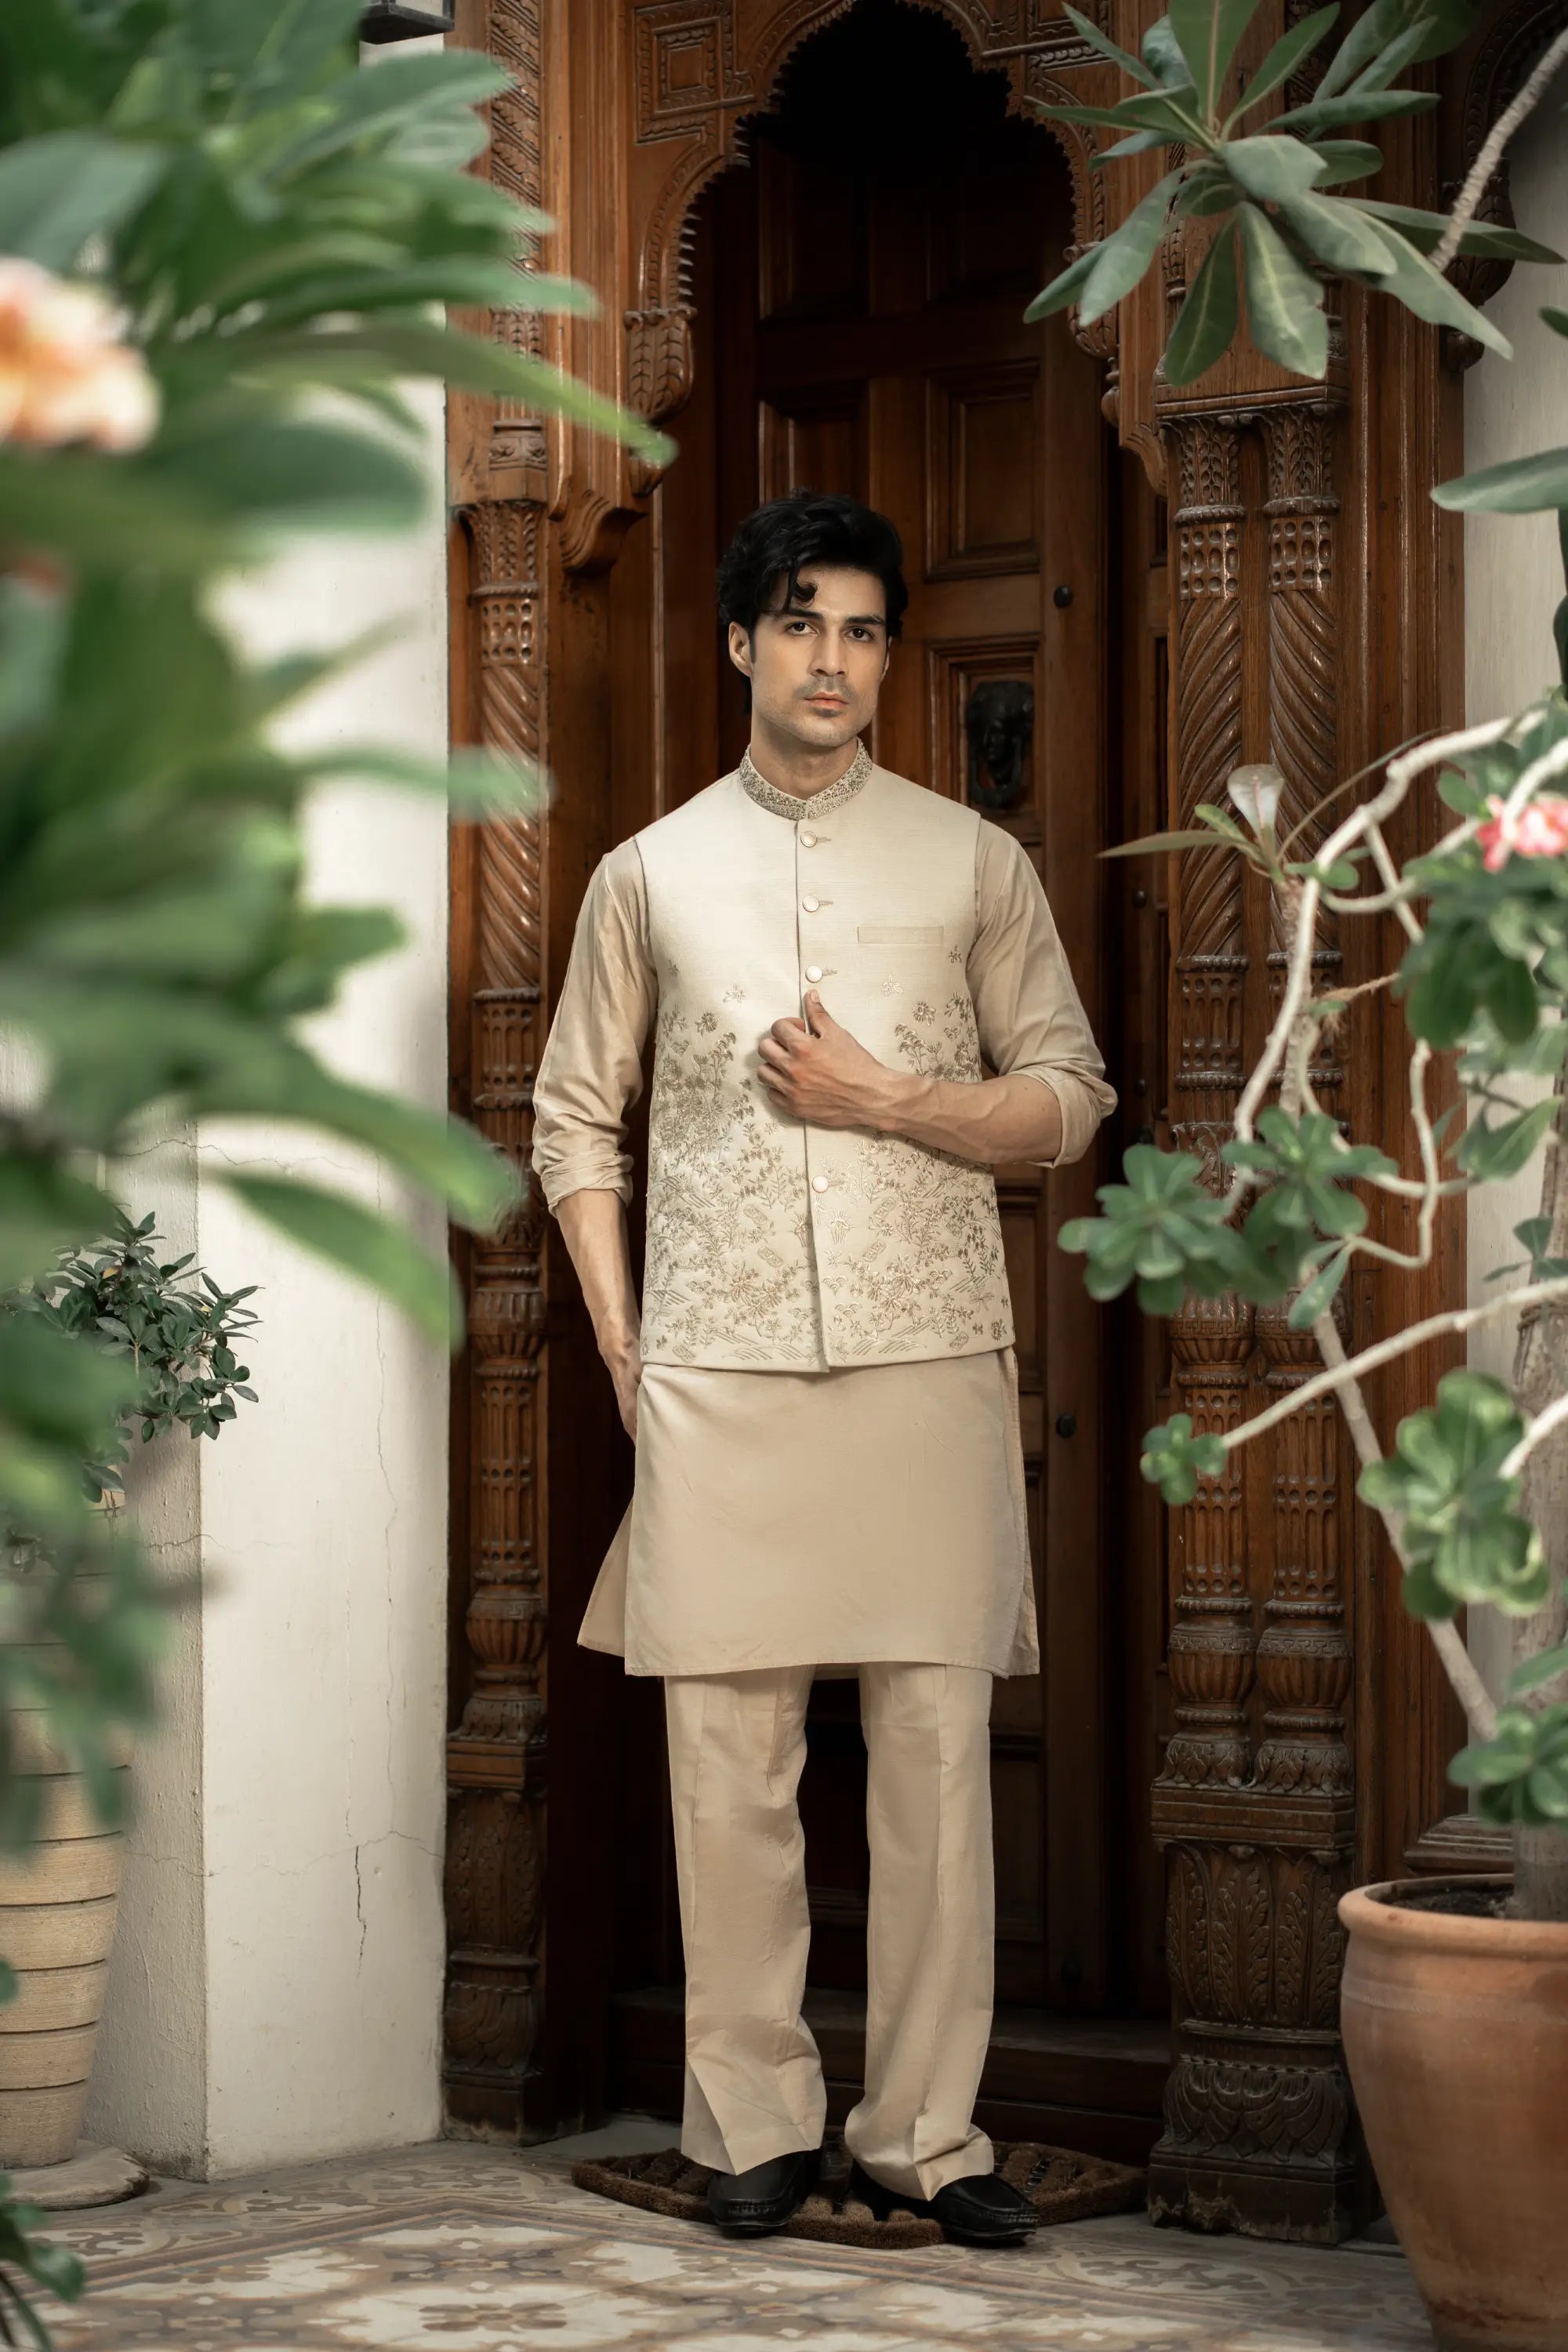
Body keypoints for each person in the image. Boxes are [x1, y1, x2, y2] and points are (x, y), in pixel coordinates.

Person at [532, 488, 1116, 2245]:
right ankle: (750, 2122)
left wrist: (891, 1101)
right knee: (730, 1758)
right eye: (801, 623)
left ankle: (927, 2137)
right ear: (739, 641)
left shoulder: (971, 863)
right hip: (710, 1368)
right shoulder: (648, 873)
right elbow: (572, 1117)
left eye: (864, 630)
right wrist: (631, 1355)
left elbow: (1069, 1103)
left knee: (935, 1751)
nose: (833, 661)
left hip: (928, 1353)